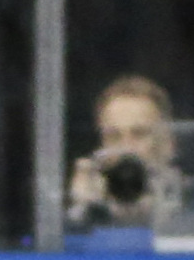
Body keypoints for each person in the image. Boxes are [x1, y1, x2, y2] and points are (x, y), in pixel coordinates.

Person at [67, 74, 183, 230]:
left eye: (140, 134)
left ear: (168, 143)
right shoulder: (87, 212)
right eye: (114, 137)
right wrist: (80, 210)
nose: (126, 148)